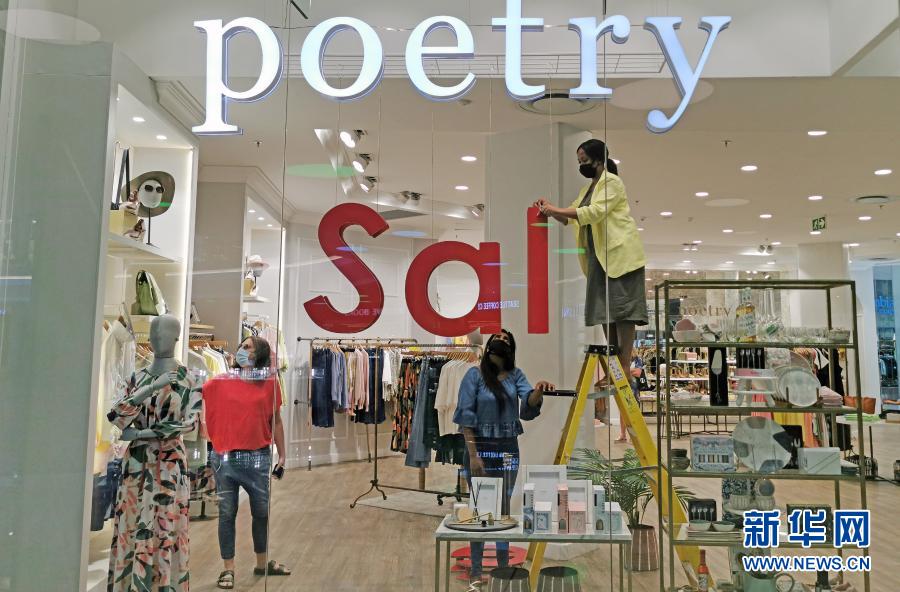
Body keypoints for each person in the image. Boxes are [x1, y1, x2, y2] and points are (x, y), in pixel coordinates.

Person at [534, 139, 648, 442]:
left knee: (623, 312)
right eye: (579, 160)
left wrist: (558, 209)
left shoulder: (611, 183)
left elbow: (593, 213)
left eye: (583, 159)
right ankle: (617, 366)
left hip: (620, 258)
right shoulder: (589, 188)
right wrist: (551, 210)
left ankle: (625, 367)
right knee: (605, 314)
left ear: (598, 159)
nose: (581, 165)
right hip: (599, 261)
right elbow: (573, 215)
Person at [452, 330, 555, 590]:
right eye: (498, 337)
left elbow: (528, 403)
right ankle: (476, 570)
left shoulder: (516, 375)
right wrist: (473, 456)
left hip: (508, 448)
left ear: (511, 348)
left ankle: (502, 569)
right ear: (489, 345)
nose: (502, 340)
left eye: (507, 339)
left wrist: (539, 390)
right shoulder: (474, 375)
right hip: (479, 449)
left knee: (503, 507)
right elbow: (465, 417)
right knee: (480, 508)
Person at [202, 336, 291, 590]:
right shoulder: (220, 381)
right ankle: (228, 568)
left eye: (248, 347)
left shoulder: (270, 384)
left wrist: (282, 456)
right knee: (226, 513)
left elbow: (276, 421)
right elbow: (198, 400)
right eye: (241, 345)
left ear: (259, 354)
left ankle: (262, 564)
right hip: (225, 458)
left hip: (258, 457)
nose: (242, 349)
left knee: (261, 513)